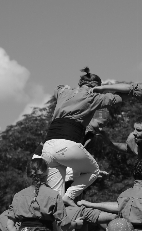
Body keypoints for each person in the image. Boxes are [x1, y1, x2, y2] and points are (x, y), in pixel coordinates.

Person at [42, 67, 123, 205]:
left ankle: (56, 222)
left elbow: (58, 88)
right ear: (96, 86)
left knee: (55, 198)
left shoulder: (64, 92)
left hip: (48, 146)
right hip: (67, 144)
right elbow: (118, 98)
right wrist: (101, 90)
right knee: (94, 170)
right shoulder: (93, 97)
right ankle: (69, 196)